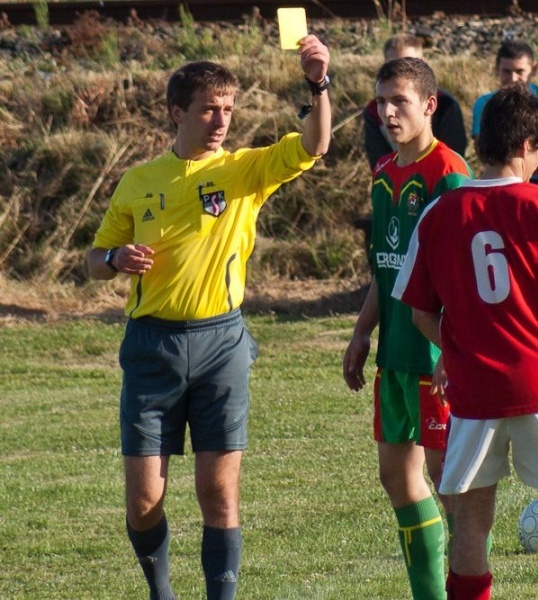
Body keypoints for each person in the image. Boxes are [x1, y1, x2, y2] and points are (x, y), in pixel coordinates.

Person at [86, 36, 331, 600]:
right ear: (178, 113)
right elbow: (94, 262)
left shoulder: (245, 171)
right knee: (144, 499)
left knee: (218, 492)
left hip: (221, 343)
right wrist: (115, 259)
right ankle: (162, 592)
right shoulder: (138, 181)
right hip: (152, 346)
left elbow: (315, 144)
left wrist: (317, 82)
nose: (221, 120)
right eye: (208, 109)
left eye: (228, 109)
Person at [393, 82, 538, 600]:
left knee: (471, 524)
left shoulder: (438, 213)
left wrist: (454, 349)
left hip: (473, 393)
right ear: (526, 146)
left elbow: (422, 312)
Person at [343, 56, 472, 600]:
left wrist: (452, 349)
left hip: (431, 358)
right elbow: (385, 266)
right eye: (380, 101)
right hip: (393, 354)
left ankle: (468, 587)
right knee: (396, 479)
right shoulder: (382, 173)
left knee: (450, 486)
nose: (387, 112)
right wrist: (361, 332)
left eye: (399, 101)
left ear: (429, 105)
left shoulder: (449, 174)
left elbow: (463, 278)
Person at [471, 39, 538, 191]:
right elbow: (484, 150)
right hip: (501, 181)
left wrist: (520, 171)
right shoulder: (484, 104)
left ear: (533, 69)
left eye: (519, 71)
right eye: (506, 71)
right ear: (497, 69)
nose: (513, 79)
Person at [363, 33, 468, 169]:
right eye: (393, 64)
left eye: (409, 63)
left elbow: (454, 152)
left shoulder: (446, 104)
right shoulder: (373, 110)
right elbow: (378, 161)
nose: (388, 112)